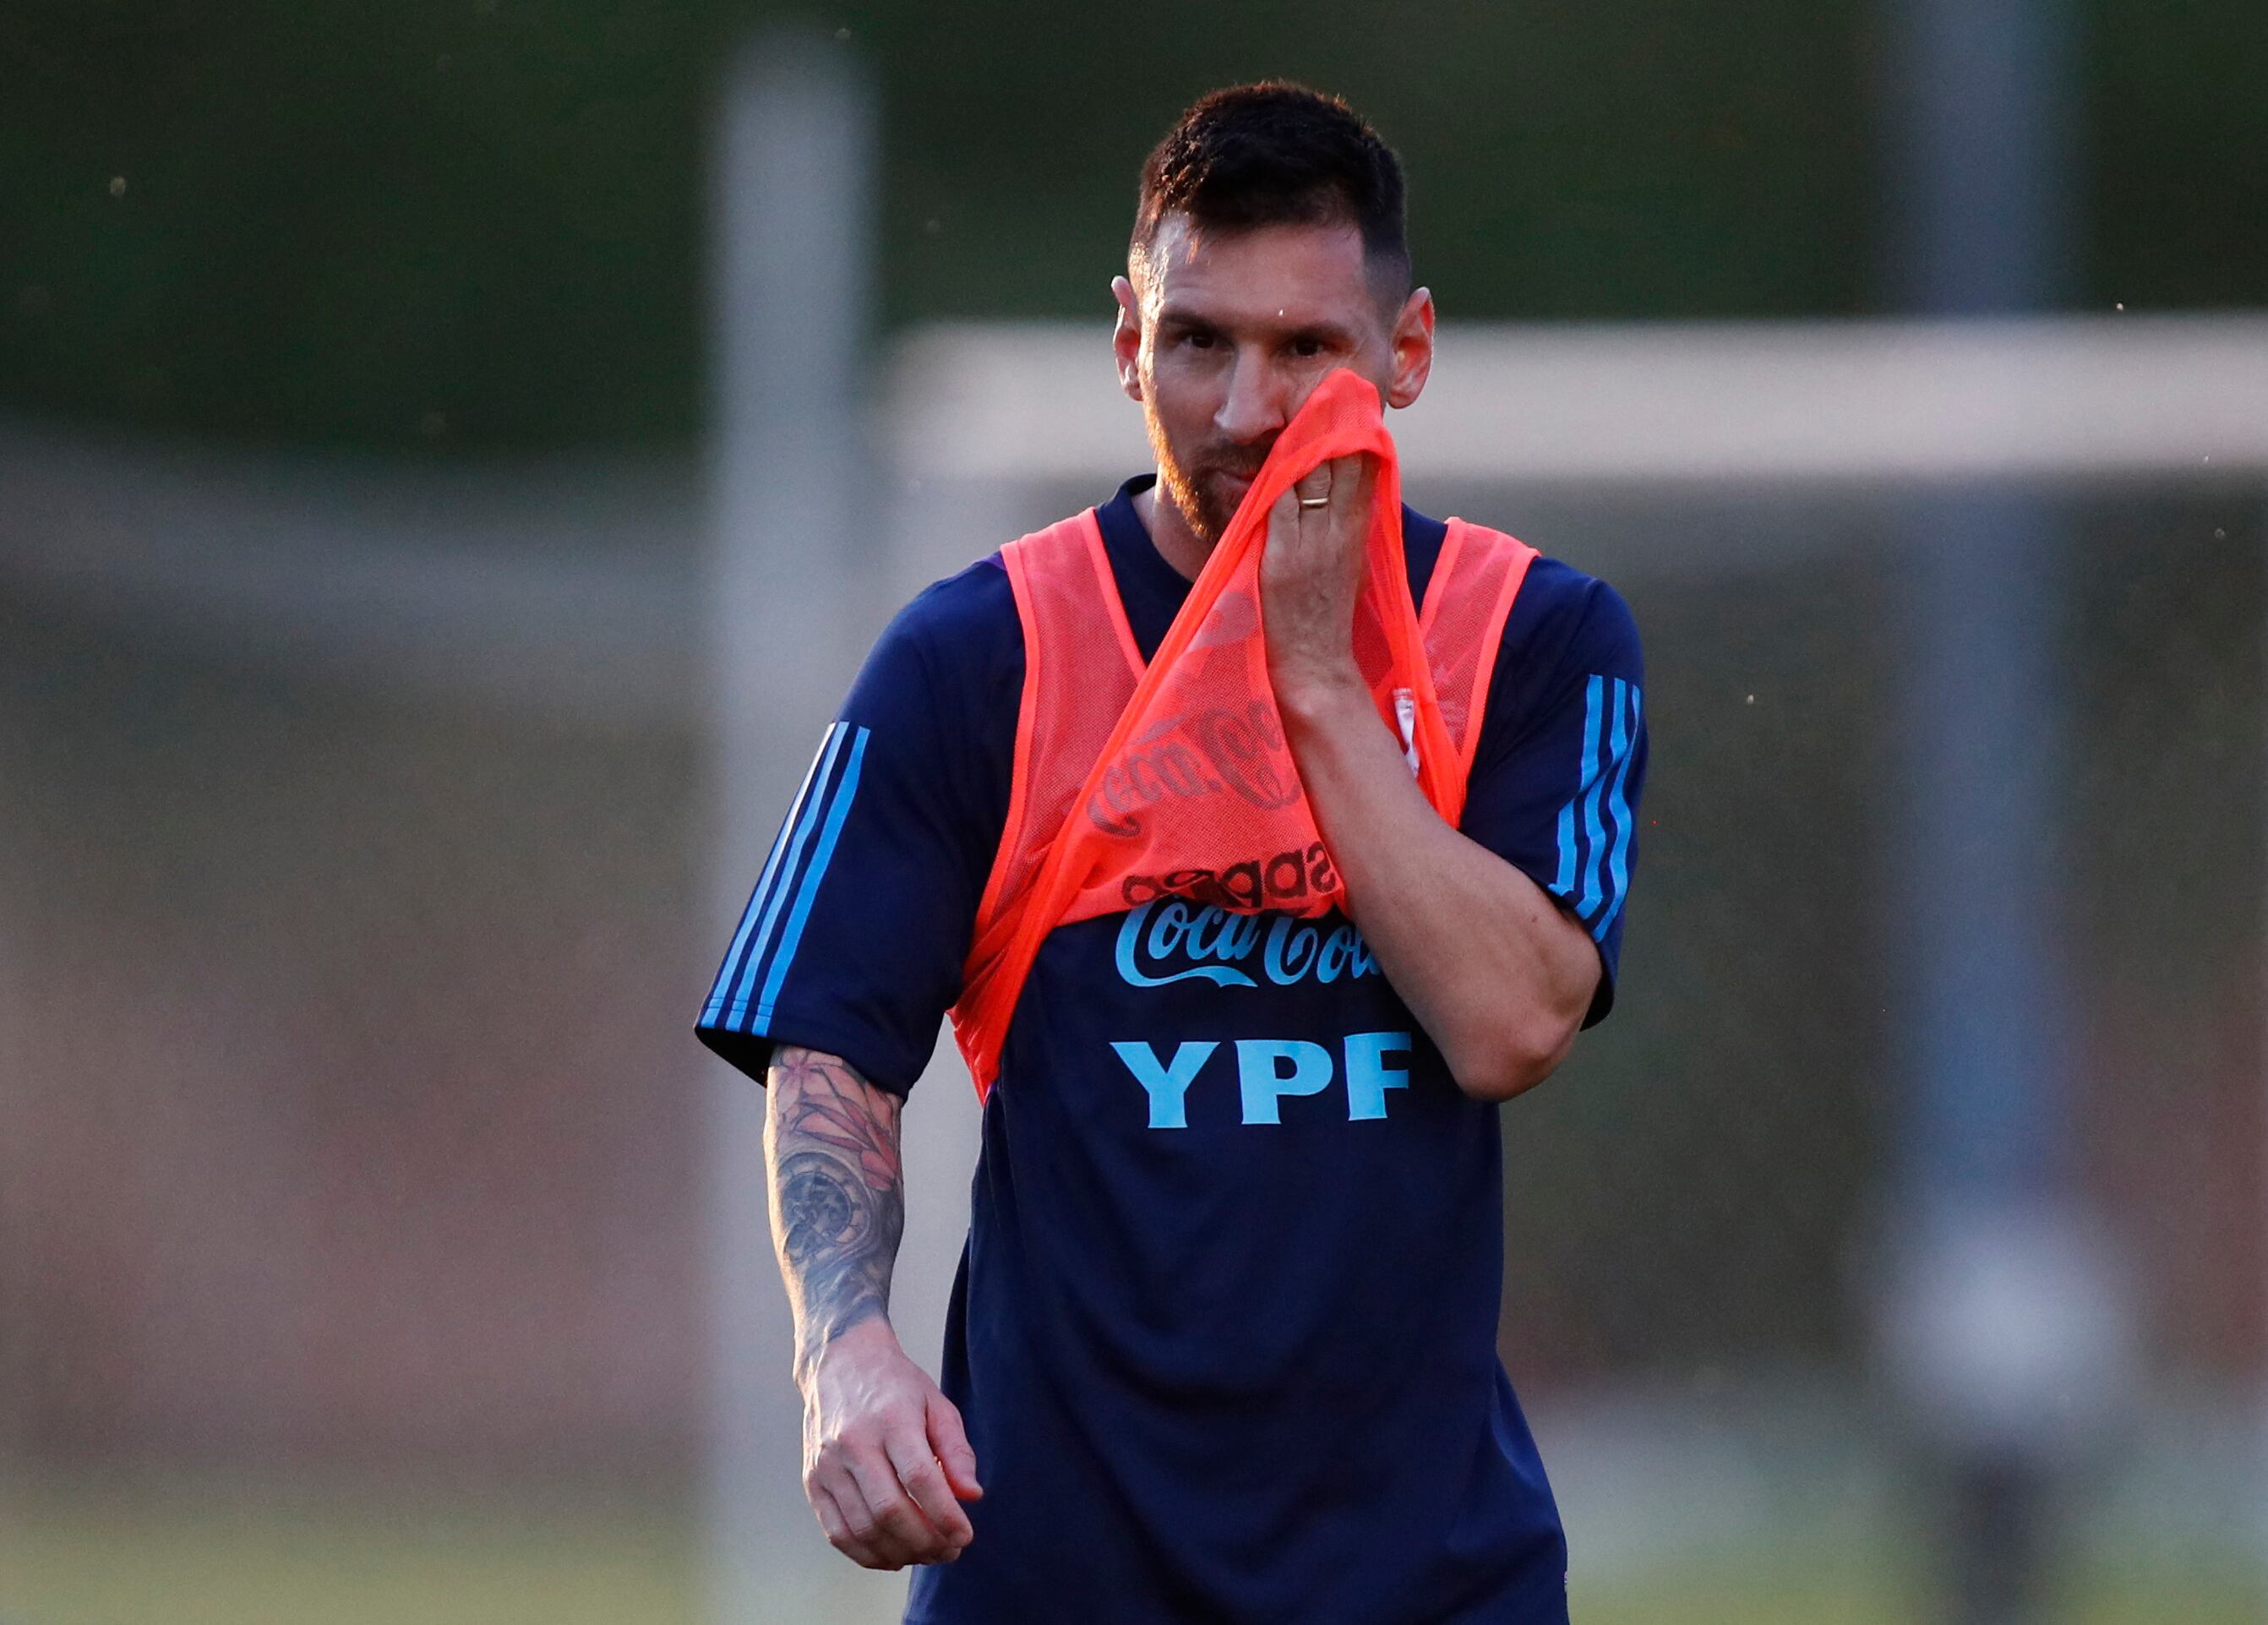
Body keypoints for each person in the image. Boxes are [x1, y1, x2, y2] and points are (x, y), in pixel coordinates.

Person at [695, 81, 1648, 1625]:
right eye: (1200, 341)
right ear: (1129, 340)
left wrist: (1320, 684)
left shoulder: (1532, 639)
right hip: (1055, 1571)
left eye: (1307, 351)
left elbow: (1512, 1022)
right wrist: (844, 1350)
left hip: (1425, 1580)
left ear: (1403, 357)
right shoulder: (978, 656)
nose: (1245, 410)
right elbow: (831, 1053)